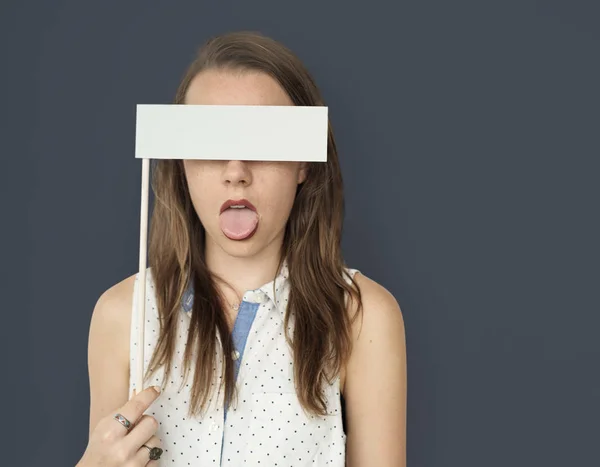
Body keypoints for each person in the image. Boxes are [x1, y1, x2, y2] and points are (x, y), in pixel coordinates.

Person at [76, 31, 406, 467]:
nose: (236, 172)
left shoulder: (362, 316)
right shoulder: (122, 315)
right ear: (180, 160)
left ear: (303, 162)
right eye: (210, 144)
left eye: (264, 142)